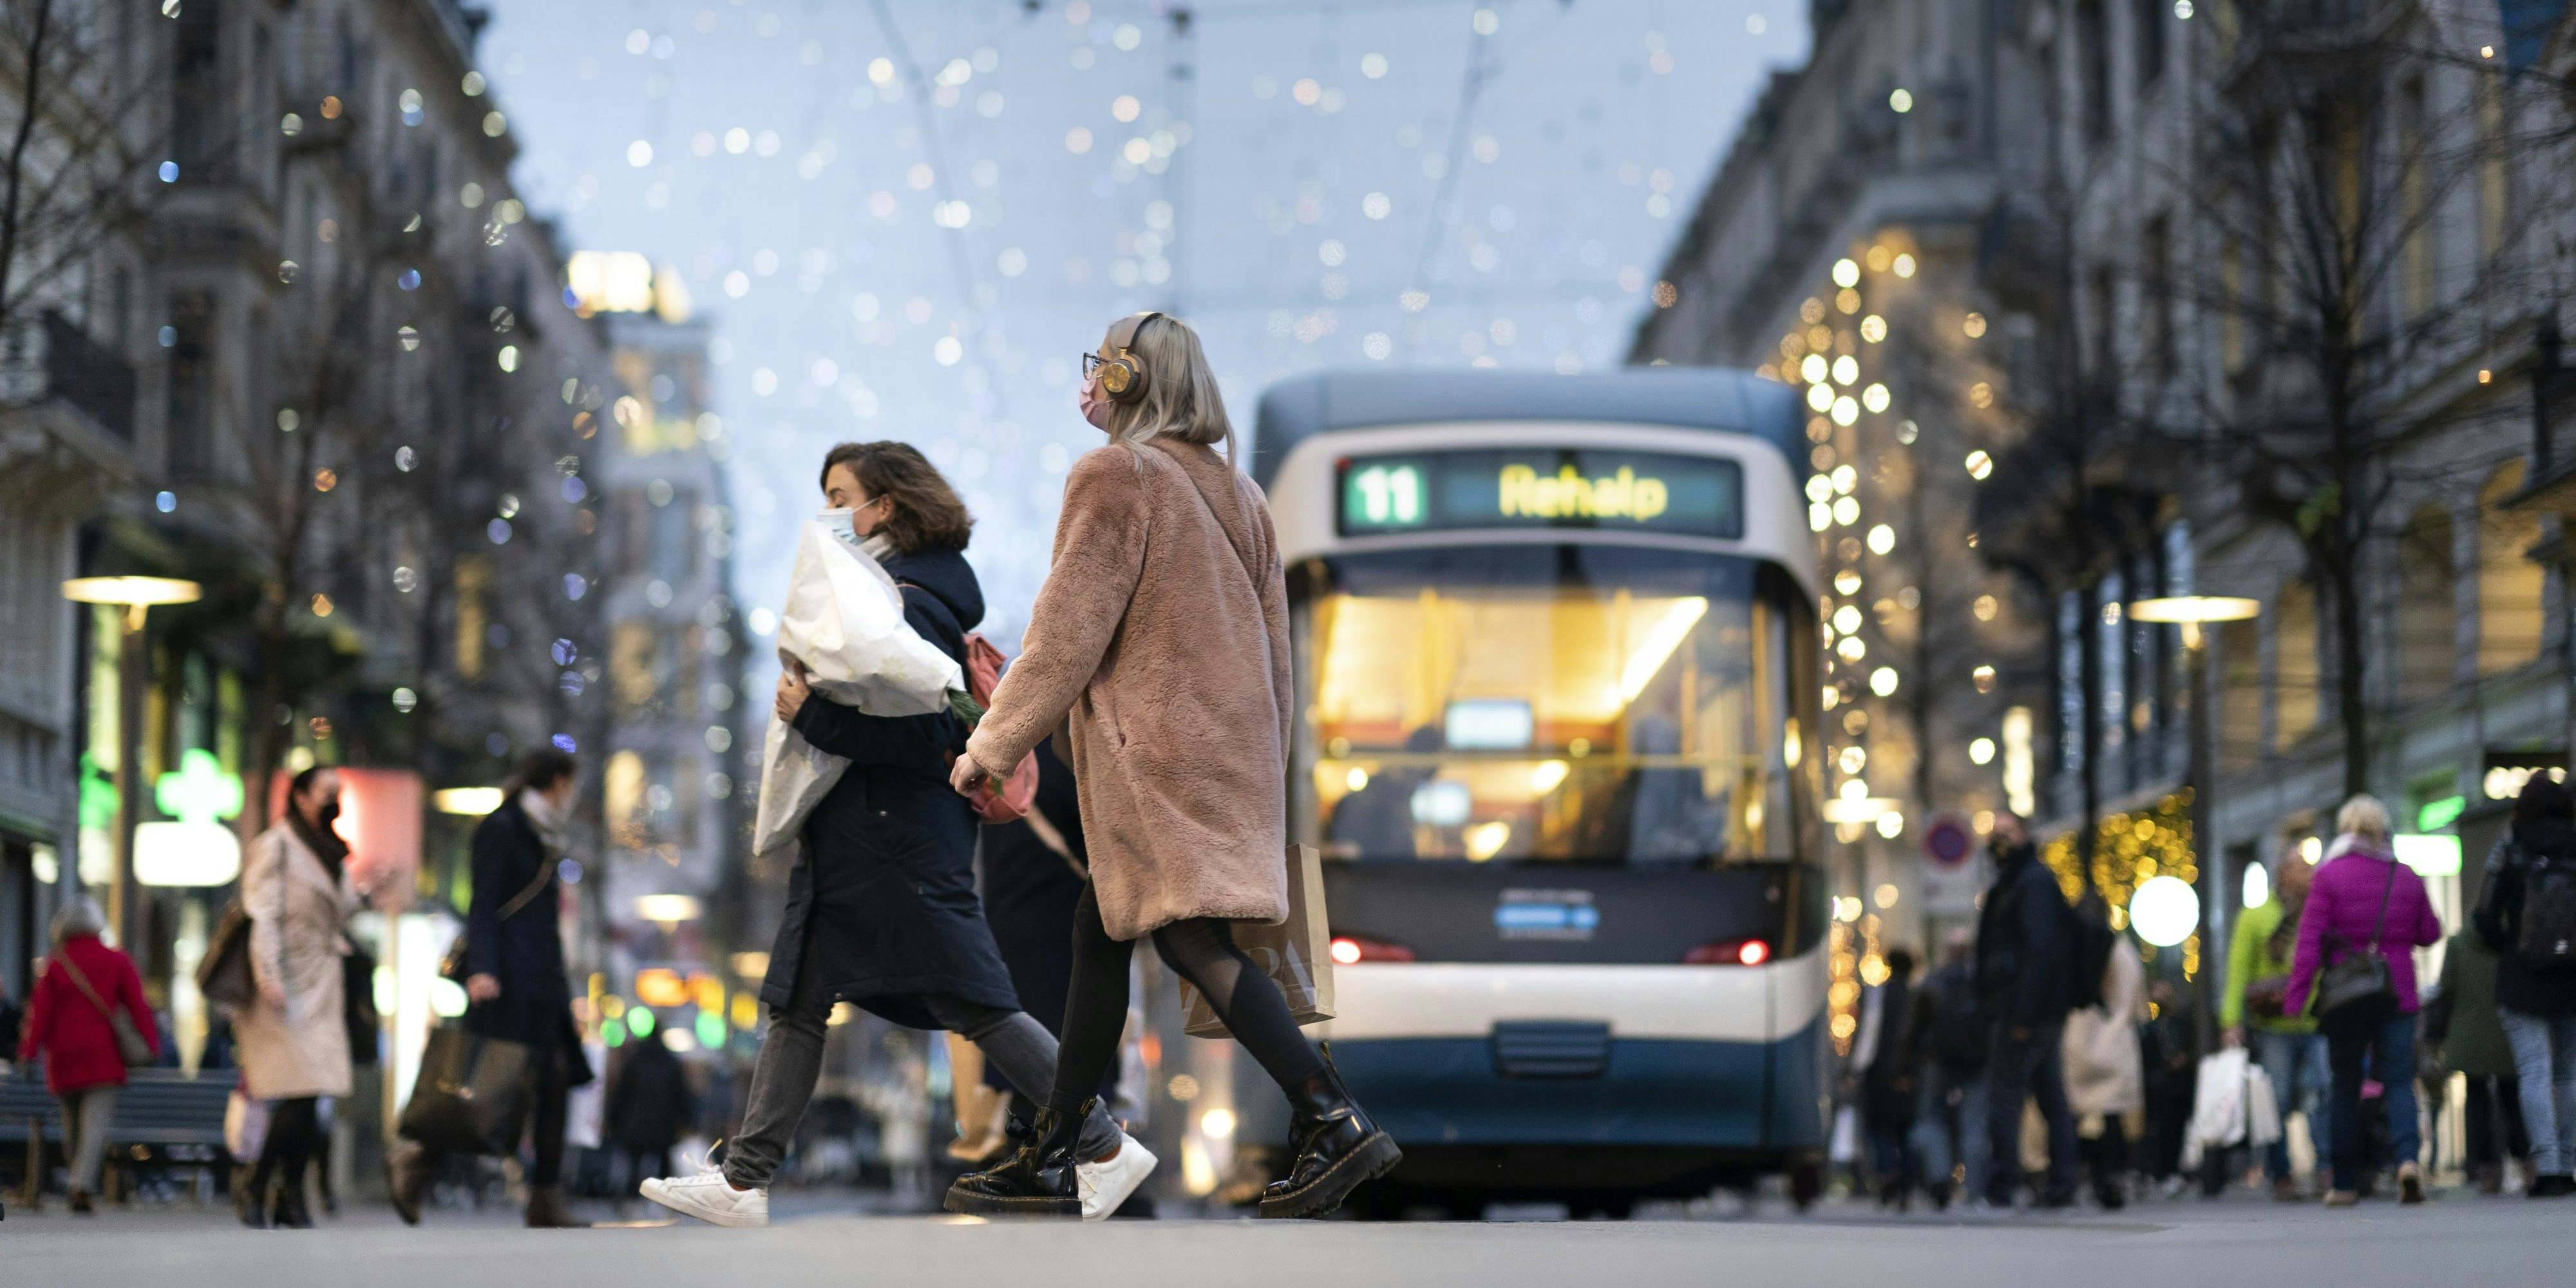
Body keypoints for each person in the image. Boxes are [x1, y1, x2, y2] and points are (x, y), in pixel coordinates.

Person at [945, 311, 1398, 1220]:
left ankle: (1330, 1115)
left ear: (1127, 381)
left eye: (1101, 368)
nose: (1086, 384)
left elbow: (1066, 635)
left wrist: (991, 746)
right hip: (1229, 759)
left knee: (1192, 941)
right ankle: (1063, 1141)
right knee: (1099, 928)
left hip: (1153, 760)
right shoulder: (1243, 495)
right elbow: (1279, 659)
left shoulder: (1116, 477)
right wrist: (1266, 778)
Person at [645, 442, 1140, 1229]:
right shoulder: (895, 594)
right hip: (869, 841)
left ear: (887, 507)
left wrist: (808, 713)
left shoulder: (909, 603)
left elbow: (929, 736)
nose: (829, 514)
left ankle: (1106, 1143)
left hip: (894, 843)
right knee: (799, 1002)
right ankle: (743, 1179)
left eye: (842, 496)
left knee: (974, 1003)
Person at [391, 748, 596, 1228]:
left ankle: (544, 1198)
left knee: (554, 1083)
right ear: (556, 782)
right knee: (484, 1090)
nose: (572, 795)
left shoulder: (544, 832)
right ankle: (419, 1162)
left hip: (544, 982)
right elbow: (482, 901)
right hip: (507, 981)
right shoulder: (503, 827)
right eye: (570, 785)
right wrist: (483, 967)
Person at [2284, 794, 2445, 1206]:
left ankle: (2344, 1182)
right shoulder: (2405, 875)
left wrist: (2298, 996)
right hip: (2398, 993)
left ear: (2345, 830)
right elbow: (2430, 932)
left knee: (2345, 1086)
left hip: (2347, 997)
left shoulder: (2330, 876)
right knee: (2398, 1081)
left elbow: (2309, 940)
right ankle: (2408, 1161)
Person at [232, 766, 362, 1227]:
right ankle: (262, 1181)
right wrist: (269, 977)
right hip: (285, 982)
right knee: (299, 1090)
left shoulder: (330, 850)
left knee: (310, 1092)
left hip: (322, 981)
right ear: (301, 796)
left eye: (338, 792)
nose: (334, 800)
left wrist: (367, 891)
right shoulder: (277, 847)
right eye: (326, 792)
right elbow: (262, 916)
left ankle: (285, 1193)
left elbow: (339, 908)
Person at [15, 896, 159, 1213]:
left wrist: (28, 1052)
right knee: (95, 1125)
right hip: (102, 1057)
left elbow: (39, 1014)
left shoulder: (55, 964)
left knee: (72, 1126)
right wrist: (151, 1044)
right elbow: (138, 1005)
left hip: (63, 1057)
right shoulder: (116, 960)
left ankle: (78, 1179)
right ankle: (81, 1185)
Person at [2472, 774, 2576, 1197]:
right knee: (2569, 1073)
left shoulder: (2511, 847)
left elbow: (2483, 915)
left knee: (2535, 1070)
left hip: (2522, 977)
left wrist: (2507, 948)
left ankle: (2546, 1166)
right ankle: (2570, 1164)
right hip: (2572, 975)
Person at [1974, 813, 2079, 1208]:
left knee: (2005, 1100)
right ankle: (2061, 1183)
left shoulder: (2030, 882)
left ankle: (2003, 1185)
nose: (1999, 841)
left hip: (2024, 1012)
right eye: (1995, 834)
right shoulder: (2014, 881)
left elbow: (2041, 951)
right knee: (2051, 1098)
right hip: (2029, 1010)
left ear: (2025, 836)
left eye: (2008, 833)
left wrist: (2023, 1015)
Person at [2223, 849, 2331, 1199]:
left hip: (2316, 1020)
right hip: (2273, 1027)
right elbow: (2238, 972)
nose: (2308, 874)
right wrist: (2230, 1021)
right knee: (2278, 1101)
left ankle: (2326, 1168)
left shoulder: (2321, 911)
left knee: (2322, 1093)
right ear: (2282, 875)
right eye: (2300, 869)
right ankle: (2281, 1174)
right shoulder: (2255, 917)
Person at [2432, 922, 2529, 1193]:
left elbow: (2446, 987)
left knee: (2476, 1100)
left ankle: (2486, 1167)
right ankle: (2524, 1159)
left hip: (2469, 1033)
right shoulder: (2513, 942)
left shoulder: (2458, 943)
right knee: (2512, 1098)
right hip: (2507, 1031)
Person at [2062, 925, 2146, 1209]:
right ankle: (2111, 1176)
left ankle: (2076, 1177)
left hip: (2077, 1036)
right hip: (2115, 1036)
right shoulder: (2121, 949)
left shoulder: (2072, 944)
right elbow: (2137, 993)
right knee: (2112, 1117)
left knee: (2076, 1116)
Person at [1907, 927, 1988, 1208]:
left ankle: (1940, 1177)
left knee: (1931, 1119)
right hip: (1977, 1064)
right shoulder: (1983, 984)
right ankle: (1974, 1190)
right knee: (1973, 1125)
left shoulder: (1932, 982)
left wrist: (1905, 1064)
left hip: (1937, 1063)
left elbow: (1913, 1028)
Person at [1850, 947, 1920, 1208]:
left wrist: (1855, 1068)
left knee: (1878, 1129)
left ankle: (1886, 1172)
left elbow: (1867, 1036)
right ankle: (1906, 1184)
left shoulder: (1877, 996)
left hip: (1878, 1074)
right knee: (1906, 1131)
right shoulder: (1918, 996)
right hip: (1910, 1075)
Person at [605, 1030, 697, 1197]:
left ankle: (631, 1195)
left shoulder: (635, 1060)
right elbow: (681, 1095)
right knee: (662, 1161)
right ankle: (664, 1197)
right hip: (662, 1125)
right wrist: (687, 1121)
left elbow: (622, 1095)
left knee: (633, 1162)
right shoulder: (671, 1062)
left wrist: (613, 1121)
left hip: (634, 1124)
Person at [2139, 977, 2196, 1195]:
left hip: (2178, 1086)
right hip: (2158, 1086)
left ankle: (2172, 1172)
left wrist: (2184, 1059)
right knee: (2158, 1131)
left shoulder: (2183, 1020)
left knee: (2176, 1130)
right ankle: (2159, 1172)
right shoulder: (2150, 1026)